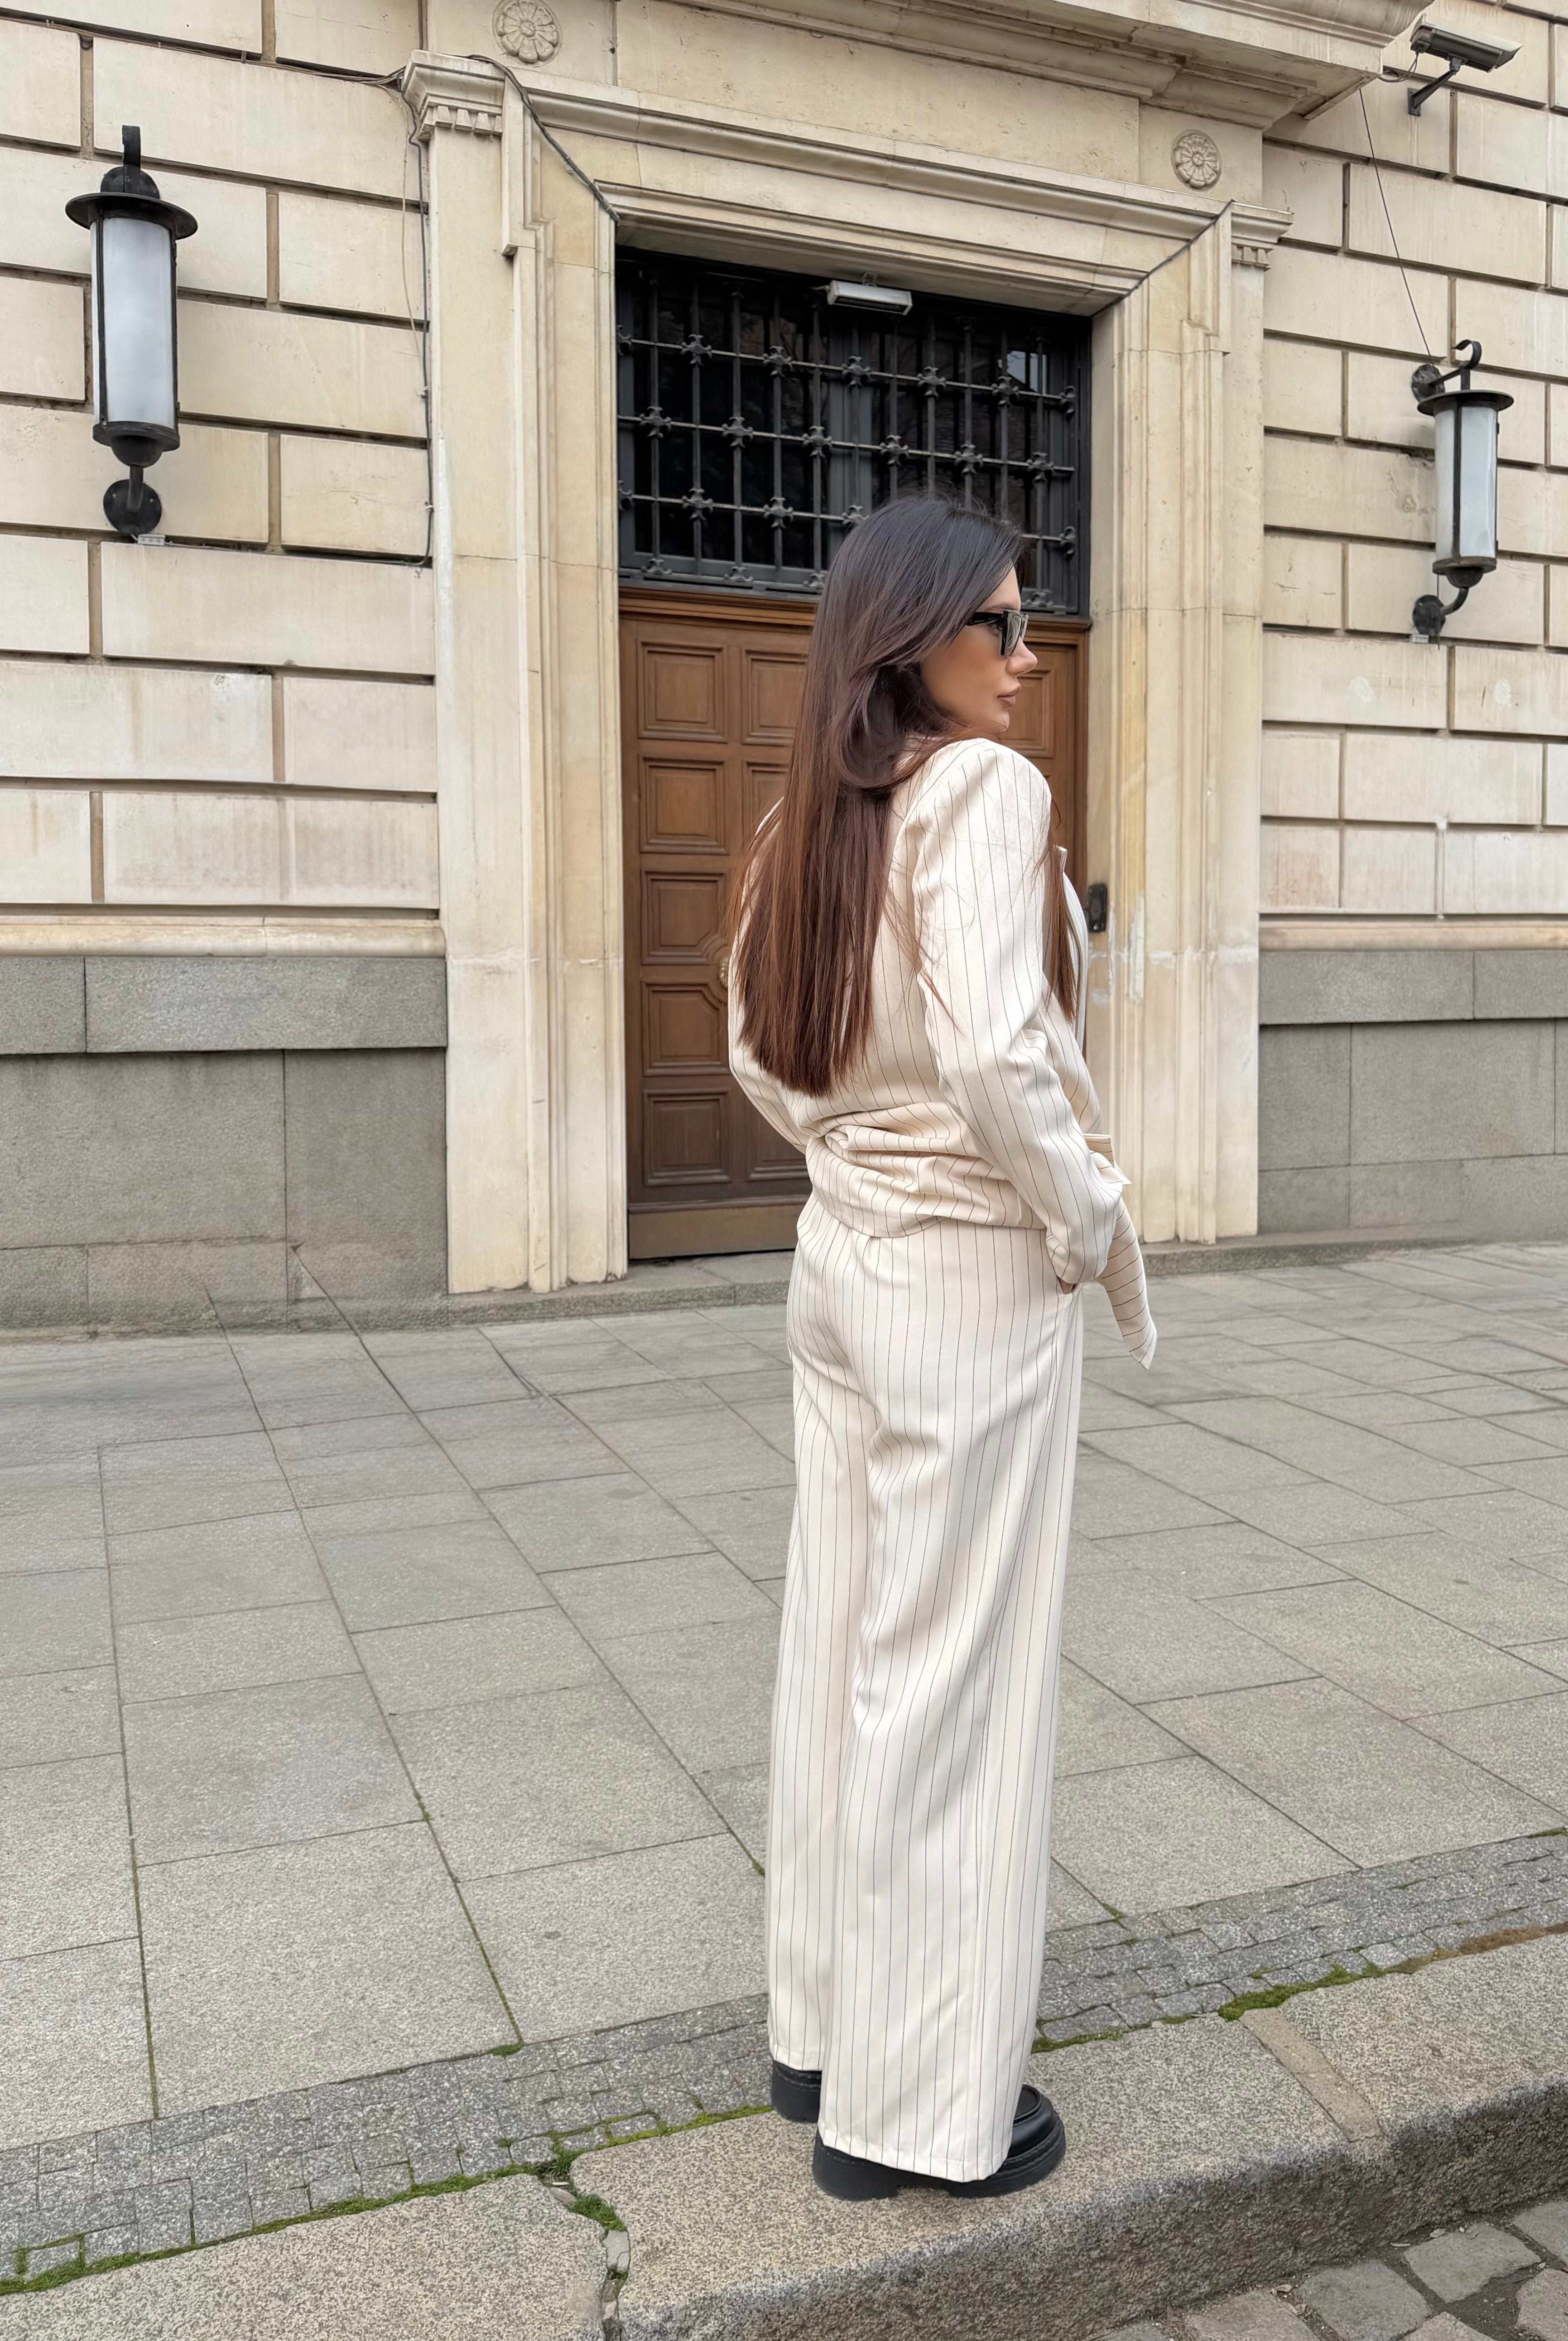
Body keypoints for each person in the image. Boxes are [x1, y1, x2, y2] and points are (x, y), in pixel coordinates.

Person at [727, 495, 1155, 2203]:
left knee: (841, 1647)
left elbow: (754, 1047)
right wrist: (1083, 1208)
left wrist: (858, 1152)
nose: (1029, 658)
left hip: (843, 1267)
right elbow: (994, 1047)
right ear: (915, 640)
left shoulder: (807, 820)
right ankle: (914, 2112)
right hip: (965, 1278)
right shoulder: (983, 790)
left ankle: (822, 2034)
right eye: (1003, 624)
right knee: (952, 1682)